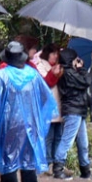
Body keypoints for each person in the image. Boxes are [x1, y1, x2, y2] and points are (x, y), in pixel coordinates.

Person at [0, 41, 58, 182]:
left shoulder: (1, 76)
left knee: (9, 160)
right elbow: (47, 98)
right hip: (30, 125)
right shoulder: (33, 75)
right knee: (28, 161)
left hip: (8, 126)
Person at [53, 48, 92, 180]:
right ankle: (58, 169)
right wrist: (81, 68)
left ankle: (85, 170)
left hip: (77, 110)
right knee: (67, 141)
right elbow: (86, 81)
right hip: (73, 111)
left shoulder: (66, 72)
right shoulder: (68, 74)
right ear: (70, 60)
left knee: (83, 142)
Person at [35, 43, 64, 174]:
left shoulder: (59, 66)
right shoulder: (40, 65)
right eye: (53, 53)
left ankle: (57, 162)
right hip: (47, 106)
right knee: (48, 135)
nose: (55, 56)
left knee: (59, 135)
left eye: (57, 53)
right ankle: (46, 162)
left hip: (60, 105)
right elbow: (45, 83)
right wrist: (54, 73)